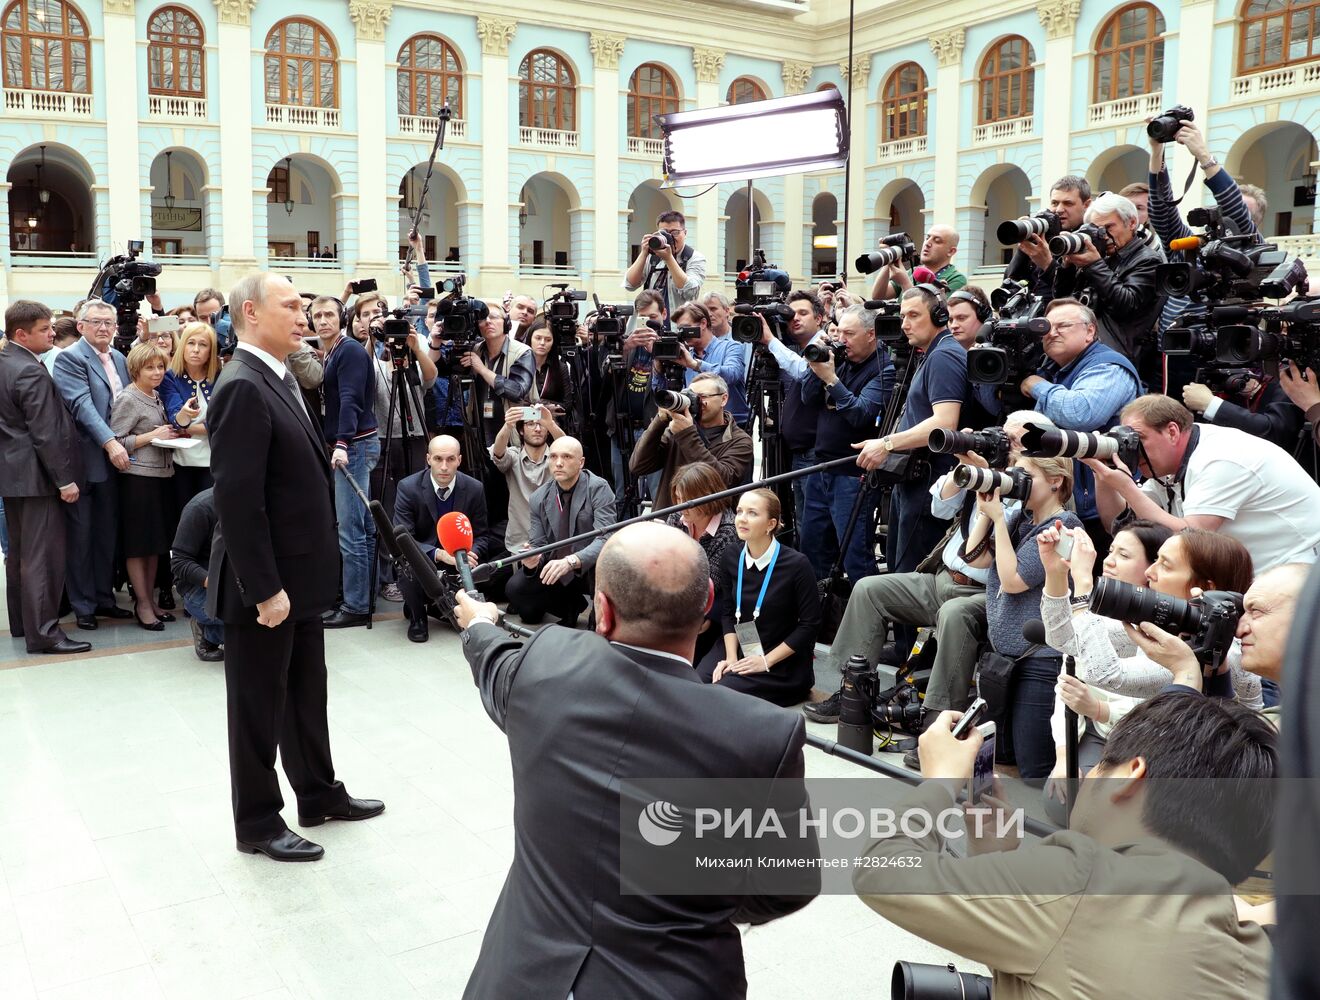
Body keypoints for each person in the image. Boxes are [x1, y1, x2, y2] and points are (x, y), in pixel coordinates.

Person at [452, 521, 818, 999]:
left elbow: (495, 664)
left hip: (519, 976)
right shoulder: (763, 733)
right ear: (708, 602)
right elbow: (786, 885)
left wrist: (480, 624)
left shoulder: (544, 665)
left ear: (602, 611)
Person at [855, 693, 1276, 999]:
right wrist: (995, 857)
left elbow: (881, 871)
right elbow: (1063, 964)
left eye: (1097, 765)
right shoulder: (1259, 957)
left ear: (1130, 775)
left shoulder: (1082, 877)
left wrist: (940, 783)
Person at [206, 273, 383, 863]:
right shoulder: (241, 385)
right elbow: (238, 499)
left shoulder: (278, 376)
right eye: (290, 306)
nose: (303, 314)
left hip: (299, 580)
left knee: (308, 693)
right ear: (251, 312)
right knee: (258, 707)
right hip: (267, 586)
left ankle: (319, 793)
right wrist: (264, 589)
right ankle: (257, 821)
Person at [804, 411, 1053, 724]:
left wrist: (991, 475)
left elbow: (998, 543)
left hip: (986, 594)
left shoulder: (1032, 488)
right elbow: (940, 506)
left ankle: (938, 718)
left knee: (954, 615)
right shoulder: (984, 470)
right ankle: (853, 691)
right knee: (869, 589)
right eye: (1003, 434)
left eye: (1013, 440)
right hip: (942, 578)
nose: (1004, 444)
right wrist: (966, 466)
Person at [1036, 519, 1170, 823]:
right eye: (1110, 551)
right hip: (1096, 732)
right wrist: (1055, 572)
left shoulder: (1160, 621)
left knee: (1092, 811)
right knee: (1058, 800)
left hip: (1142, 739)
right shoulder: (1100, 603)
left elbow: (1112, 677)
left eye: (1123, 556)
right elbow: (1060, 640)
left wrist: (1098, 709)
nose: (1108, 561)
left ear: (1153, 569)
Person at [1091, 394, 1320, 571]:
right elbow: (1121, 525)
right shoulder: (1167, 464)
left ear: (1172, 431)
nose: (1133, 450)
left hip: (1303, 569)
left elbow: (1191, 538)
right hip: (1266, 574)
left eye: (1138, 439)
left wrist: (1126, 487)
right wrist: (1102, 475)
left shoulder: (1221, 457)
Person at [962, 454, 1082, 782]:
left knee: (1033, 771)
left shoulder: (1066, 526)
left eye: (1026, 473)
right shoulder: (1021, 520)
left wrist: (999, 520)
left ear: (1056, 481)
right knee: (1001, 755)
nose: (1017, 479)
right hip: (1005, 660)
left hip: (1042, 661)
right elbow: (973, 558)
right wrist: (988, 513)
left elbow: (1014, 581)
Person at [856, 285, 968, 598]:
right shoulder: (933, 353)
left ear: (938, 316)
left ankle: (911, 648)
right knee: (899, 570)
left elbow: (945, 422)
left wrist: (887, 444)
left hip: (928, 481)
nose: (905, 323)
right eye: (903, 315)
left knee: (910, 576)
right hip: (916, 481)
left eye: (914, 315)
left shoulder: (945, 356)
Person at [0, 300, 89, 655]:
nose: (53, 333)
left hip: (14, 476)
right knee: (42, 558)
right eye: (44, 329)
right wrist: (64, 480)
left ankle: (23, 625)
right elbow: (46, 432)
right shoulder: (30, 371)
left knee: (20, 554)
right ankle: (45, 634)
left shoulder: (6, 362)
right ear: (21, 334)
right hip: (38, 478)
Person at [1018, 297, 1141, 549]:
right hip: (1066, 504)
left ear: (1090, 331)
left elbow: (1080, 413)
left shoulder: (1108, 365)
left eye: (1063, 325)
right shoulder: (1049, 369)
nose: (1052, 333)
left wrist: (1035, 385)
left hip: (1106, 508)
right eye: (1046, 328)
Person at [52, 299, 135, 630]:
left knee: (107, 533)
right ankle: (83, 604)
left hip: (119, 462)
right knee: (82, 535)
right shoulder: (69, 359)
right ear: (80, 325)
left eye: (109, 323)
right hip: (87, 461)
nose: (104, 328)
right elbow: (82, 406)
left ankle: (104, 598)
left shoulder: (120, 358)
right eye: (96, 322)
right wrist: (111, 442)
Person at [798, 304, 895, 581]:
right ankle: (824, 619)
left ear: (871, 335)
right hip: (821, 469)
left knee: (854, 555)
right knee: (813, 550)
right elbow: (807, 398)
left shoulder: (884, 368)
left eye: (849, 334)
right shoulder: (838, 357)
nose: (842, 340)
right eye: (839, 332)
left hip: (854, 476)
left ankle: (865, 620)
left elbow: (861, 414)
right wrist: (816, 368)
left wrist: (830, 378)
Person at [699, 488, 821, 706]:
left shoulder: (797, 564)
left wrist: (765, 661)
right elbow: (728, 610)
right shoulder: (732, 555)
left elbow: (809, 626)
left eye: (752, 513)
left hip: (779, 659)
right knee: (698, 683)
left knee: (720, 694)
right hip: (739, 644)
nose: (742, 519)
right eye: (739, 511)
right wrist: (730, 657)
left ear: (771, 524)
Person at [1050, 191, 1165, 379]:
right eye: (1096, 229)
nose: (1102, 236)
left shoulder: (1148, 260)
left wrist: (1094, 265)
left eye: (1109, 227)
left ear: (1132, 223)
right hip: (1082, 354)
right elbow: (1062, 300)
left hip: (1117, 361)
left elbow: (1126, 304)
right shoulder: (1099, 257)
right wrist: (1067, 266)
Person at [393, 434, 495, 643]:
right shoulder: (408, 487)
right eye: (438, 459)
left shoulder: (474, 488)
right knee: (408, 567)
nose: (444, 466)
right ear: (428, 459)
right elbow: (404, 539)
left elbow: (482, 534)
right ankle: (417, 617)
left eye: (450, 459)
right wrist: (439, 554)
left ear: (460, 460)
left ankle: (428, 604)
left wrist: (470, 553)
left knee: (459, 621)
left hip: (458, 564)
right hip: (424, 560)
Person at [506, 436, 616, 626]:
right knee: (519, 595)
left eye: (566, 457)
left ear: (581, 462)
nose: (558, 463)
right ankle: (571, 605)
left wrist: (572, 561)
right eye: (553, 457)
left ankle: (588, 610)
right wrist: (532, 560)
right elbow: (538, 544)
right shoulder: (539, 497)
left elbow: (605, 538)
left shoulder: (598, 488)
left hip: (589, 566)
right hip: (557, 567)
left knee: (597, 628)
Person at [320, 293, 380, 629]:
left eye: (329, 314)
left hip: (353, 447)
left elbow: (350, 399)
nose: (323, 321)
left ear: (341, 318)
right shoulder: (334, 352)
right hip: (354, 445)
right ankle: (363, 599)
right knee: (363, 529)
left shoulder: (350, 351)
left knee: (352, 530)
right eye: (318, 316)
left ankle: (356, 606)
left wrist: (341, 442)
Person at [630, 373, 753, 509]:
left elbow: (723, 481)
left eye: (702, 397)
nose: (696, 402)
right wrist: (659, 422)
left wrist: (687, 435)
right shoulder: (675, 430)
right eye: (691, 397)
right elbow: (638, 466)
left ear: (723, 399)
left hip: (711, 524)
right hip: (671, 520)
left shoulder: (740, 440)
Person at [664, 462, 739, 666]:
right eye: (678, 498)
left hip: (714, 610)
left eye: (687, 500)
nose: (680, 506)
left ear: (708, 496)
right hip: (682, 600)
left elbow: (711, 583)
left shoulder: (729, 531)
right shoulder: (677, 519)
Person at [490, 405, 564, 555]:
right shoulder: (514, 456)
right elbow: (498, 452)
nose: (537, 429)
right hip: (521, 542)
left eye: (541, 424)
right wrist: (508, 425)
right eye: (531, 423)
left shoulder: (557, 458)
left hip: (556, 541)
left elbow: (570, 448)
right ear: (521, 430)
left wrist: (550, 423)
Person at [161, 321, 219, 509]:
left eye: (203, 345)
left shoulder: (220, 376)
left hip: (213, 461)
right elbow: (174, 417)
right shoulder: (170, 377)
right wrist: (183, 417)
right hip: (181, 462)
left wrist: (185, 427)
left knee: (211, 517)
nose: (196, 350)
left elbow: (223, 423)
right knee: (184, 515)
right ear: (182, 346)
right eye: (191, 343)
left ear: (211, 351)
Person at [1006, 175, 1093, 296]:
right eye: (1055, 203)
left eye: (1068, 203)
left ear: (1087, 205)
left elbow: (1073, 293)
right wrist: (1025, 243)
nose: (1059, 209)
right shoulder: (1043, 234)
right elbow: (1008, 281)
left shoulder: (1091, 240)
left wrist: (1047, 264)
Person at [669, 301, 749, 427]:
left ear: (703, 323)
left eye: (686, 327)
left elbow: (732, 374)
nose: (682, 333)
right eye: (679, 329)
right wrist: (658, 368)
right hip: (697, 426)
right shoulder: (684, 356)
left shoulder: (731, 346)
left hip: (731, 427)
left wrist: (696, 364)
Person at [170, 487, 225, 662]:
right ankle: (208, 632)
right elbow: (179, 562)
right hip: (201, 586)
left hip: (241, 582)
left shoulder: (260, 501)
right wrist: (218, 583)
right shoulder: (200, 508)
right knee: (254, 627)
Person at [623, 209, 707, 316]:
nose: (669, 237)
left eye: (675, 233)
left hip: (680, 324)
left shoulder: (695, 258)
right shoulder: (653, 257)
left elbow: (689, 292)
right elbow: (630, 285)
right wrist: (644, 252)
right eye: (664, 233)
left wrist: (669, 259)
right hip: (651, 322)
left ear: (685, 233)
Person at [867, 224, 967, 301]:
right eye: (927, 238)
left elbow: (925, 312)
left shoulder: (957, 279)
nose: (927, 243)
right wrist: (889, 259)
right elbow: (878, 296)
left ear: (951, 251)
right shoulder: (913, 271)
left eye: (937, 240)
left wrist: (904, 282)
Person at [525, 326, 574, 420]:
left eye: (548, 340)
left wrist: (536, 405)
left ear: (553, 343)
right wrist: (545, 406)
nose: (542, 343)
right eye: (538, 338)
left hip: (553, 424)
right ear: (530, 338)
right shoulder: (519, 365)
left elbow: (567, 405)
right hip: (523, 423)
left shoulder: (561, 367)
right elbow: (516, 403)